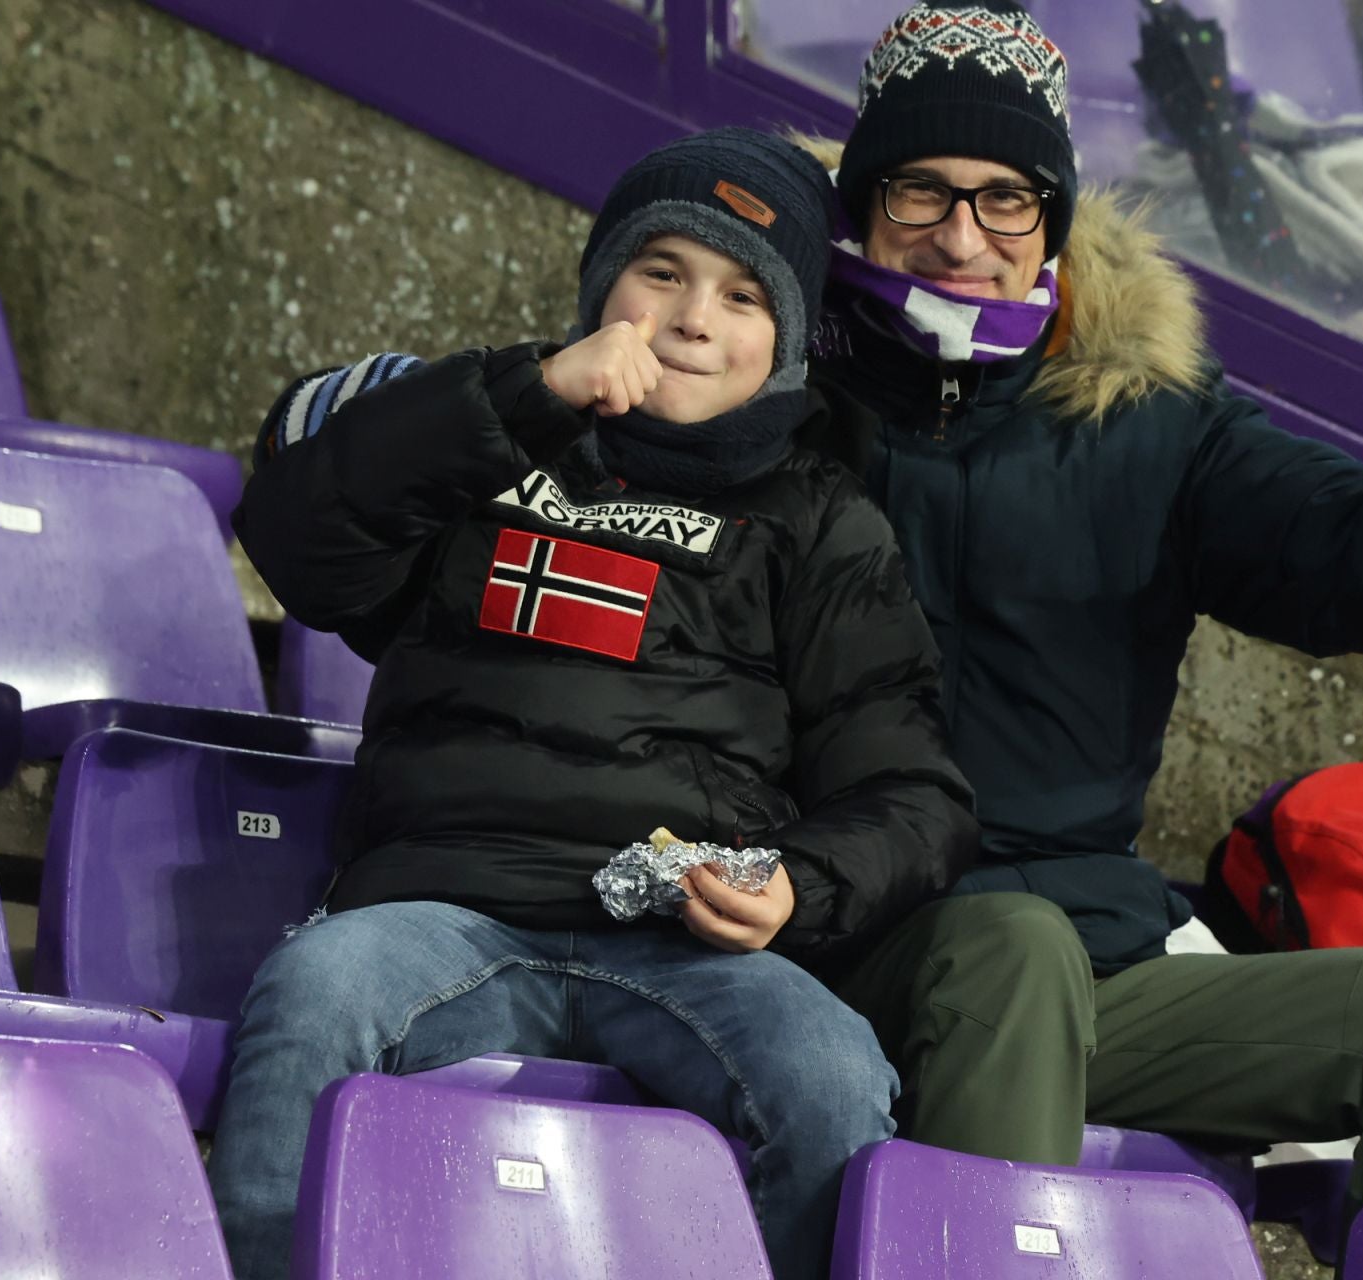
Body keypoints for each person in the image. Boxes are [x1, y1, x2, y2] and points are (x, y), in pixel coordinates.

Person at [807, 0, 1363, 1249]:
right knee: (1011, 947)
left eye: (1005, 199)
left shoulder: (1148, 416)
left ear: (1053, 222)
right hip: (834, 943)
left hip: (1094, 970)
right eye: (920, 192)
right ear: (863, 204)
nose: (961, 236)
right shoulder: (772, 383)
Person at [209, 127, 977, 1280]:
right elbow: (297, 540)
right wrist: (525, 395)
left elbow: (911, 791)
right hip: (440, 908)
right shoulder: (491, 442)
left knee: (829, 1072)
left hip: (681, 946)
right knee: (311, 993)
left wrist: (799, 888)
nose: (693, 319)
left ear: (789, 340)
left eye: (741, 294)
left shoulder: (823, 521)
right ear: (600, 288)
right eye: (661, 271)